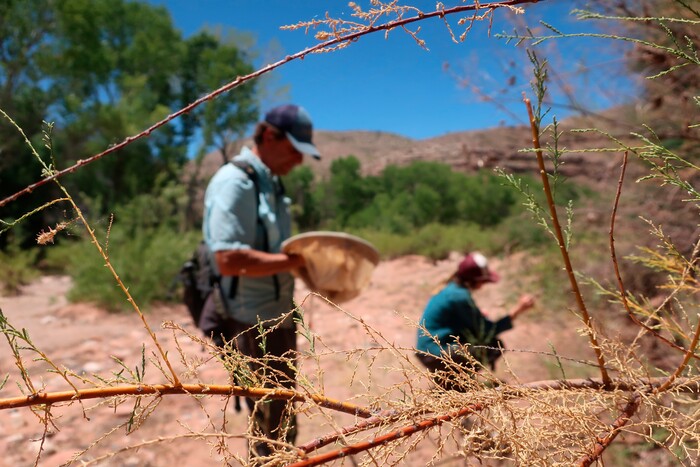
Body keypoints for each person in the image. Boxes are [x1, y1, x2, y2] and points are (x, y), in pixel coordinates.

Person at [200, 104, 321, 460]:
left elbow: (274, 251)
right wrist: (296, 262)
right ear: (269, 136)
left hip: (278, 315)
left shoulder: (270, 183)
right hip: (252, 323)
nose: (299, 161)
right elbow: (228, 258)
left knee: (282, 415)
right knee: (269, 421)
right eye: (295, 150)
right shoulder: (234, 182)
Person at [416, 252, 535, 390]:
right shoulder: (459, 296)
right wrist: (518, 310)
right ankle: (459, 384)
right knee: (493, 345)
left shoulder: (451, 290)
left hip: (428, 352)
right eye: (483, 281)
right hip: (437, 353)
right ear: (474, 280)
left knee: (476, 343)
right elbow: (487, 331)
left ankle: (454, 383)